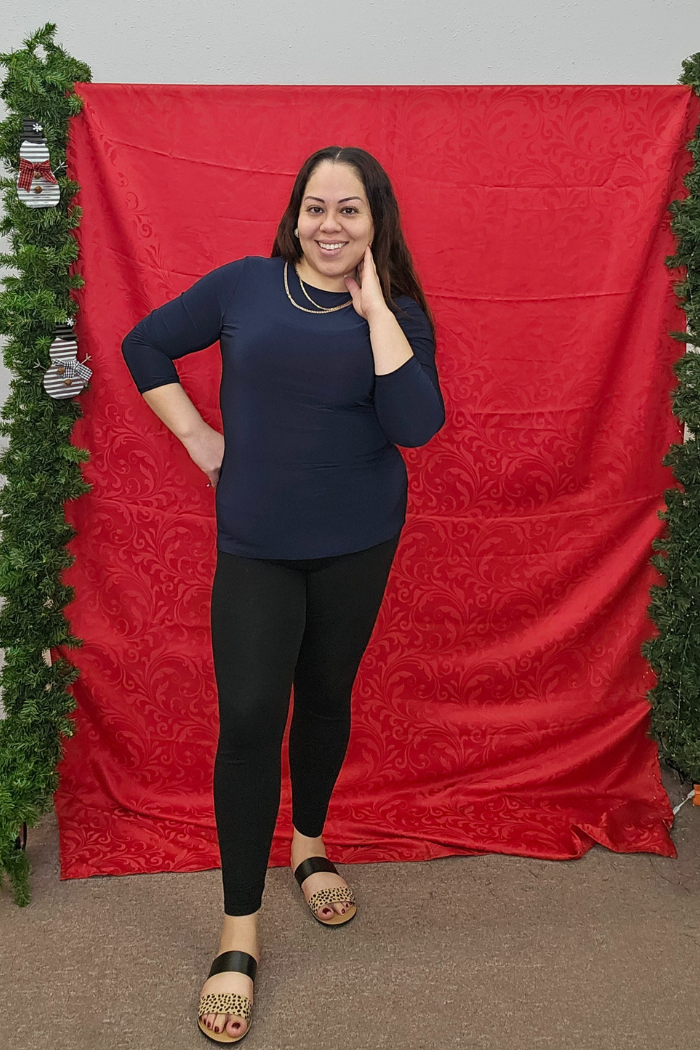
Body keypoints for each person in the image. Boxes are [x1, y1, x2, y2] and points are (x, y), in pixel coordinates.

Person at [121, 144, 446, 1043]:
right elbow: (143, 342)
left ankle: (308, 846)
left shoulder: (402, 315)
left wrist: (376, 309)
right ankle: (238, 932)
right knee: (254, 713)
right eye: (315, 207)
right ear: (293, 214)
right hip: (259, 542)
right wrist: (196, 435)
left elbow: (416, 425)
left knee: (328, 695)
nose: (329, 225)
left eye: (349, 210)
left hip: (360, 538)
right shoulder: (243, 286)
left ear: (375, 223)